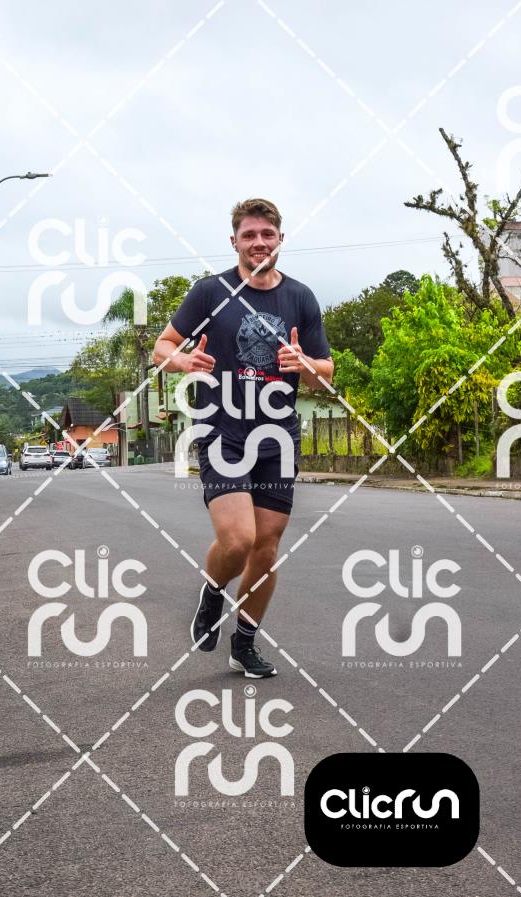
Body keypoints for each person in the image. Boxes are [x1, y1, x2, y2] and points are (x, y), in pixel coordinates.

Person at [152, 198, 334, 678]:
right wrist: (183, 361)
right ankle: (213, 592)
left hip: (277, 436)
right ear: (234, 241)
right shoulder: (210, 293)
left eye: (267, 235)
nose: (259, 243)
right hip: (223, 430)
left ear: (280, 239)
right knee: (238, 539)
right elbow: (161, 347)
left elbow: (326, 374)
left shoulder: (301, 298)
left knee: (266, 547)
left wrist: (306, 365)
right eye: (249, 235)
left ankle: (245, 644)